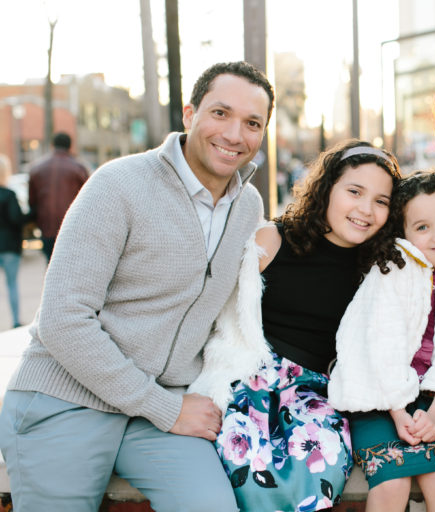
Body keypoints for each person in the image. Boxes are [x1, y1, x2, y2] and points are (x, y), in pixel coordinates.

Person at [0, 61, 275, 512]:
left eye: (252, 123)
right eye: (221, 113)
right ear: (189, 115)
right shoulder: (118, 185)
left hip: (158, 410)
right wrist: (164, 407)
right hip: (67, 397)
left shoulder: (248, 206)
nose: (234, 134)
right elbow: (63, 319)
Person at [189, 140, 402, 511]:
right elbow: (214, 311)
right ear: (327, 190)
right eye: (354, 192)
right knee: (243, 466)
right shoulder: (274, 240)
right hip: (252, 378)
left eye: (381, 201)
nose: (365, 210)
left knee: (321, 467)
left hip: (318, 392)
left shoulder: (380, 267)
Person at [327, 166, 435, 512]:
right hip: (378, 399)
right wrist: (400, 411)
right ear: (401, 234)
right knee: (391, 485)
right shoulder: (392, 271)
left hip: (434, 400)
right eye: (422, 227)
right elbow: (380, 344)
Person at [27, 131, 90, 261]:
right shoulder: (78, 168)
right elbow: (89, 199)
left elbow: (32, 201)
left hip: (46, 226)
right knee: (71, 266)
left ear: (52, 145)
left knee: (50, 265)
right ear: (70, 146)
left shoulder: (36, 168)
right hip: (71, 227)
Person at [0, 154, 25, 328]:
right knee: (12, 285)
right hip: (9, 247)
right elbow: (17, 219)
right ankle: (15, 321)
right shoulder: (9, 195)